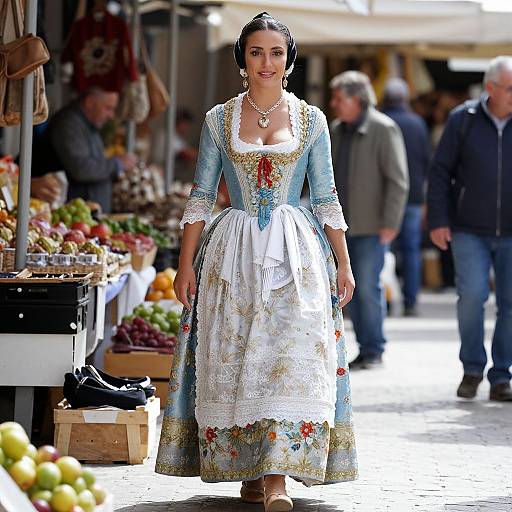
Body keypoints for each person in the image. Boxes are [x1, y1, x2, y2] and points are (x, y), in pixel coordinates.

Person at [155, 12, 358, 511]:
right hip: (234, 255)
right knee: (242, 357)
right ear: (241, 60)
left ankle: (276, 479)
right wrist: (185, 266)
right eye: (255, 52)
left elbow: (327, 196)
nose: (266, 62)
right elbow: (201, 196)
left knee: (289, 358)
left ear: (289, 60)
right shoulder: (217, 120)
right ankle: (254, 469)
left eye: (275, 52)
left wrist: (344, 264)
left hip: (296, 257)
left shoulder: (312, 121)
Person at [428, 56, 512, 402]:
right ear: (490, 88)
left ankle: (502, 375)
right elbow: (439, 171)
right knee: (473, 297)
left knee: (510, 304)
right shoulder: (463, 119)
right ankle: (473, 368)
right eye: (509, 88)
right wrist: (438, 220)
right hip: (468, 230)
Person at [329, 71, 409, 370]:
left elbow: (398, 181)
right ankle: (362, 348)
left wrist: (390, 223)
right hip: (338, 227)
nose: (334, 104)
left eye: (340, 98)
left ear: (357, 100)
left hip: (371, 226)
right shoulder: (336, 130)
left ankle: (373, 349)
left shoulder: (384, 128)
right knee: (346, 290)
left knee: (367, 288)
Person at [32, 87, 137, 213]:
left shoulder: (90, 125)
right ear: (89, 102)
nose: (111, 115)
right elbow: (81, 169)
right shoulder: (68, 124)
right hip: (70, 215)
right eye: (108, 108)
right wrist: (118, 164)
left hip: (87, 218)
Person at [381, 78, 431, 316]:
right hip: (412, 197)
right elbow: (426, 161)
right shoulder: (417, 123)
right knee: (411, 250)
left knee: (383, 249)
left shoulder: (379, 122)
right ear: (404, 99)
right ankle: (411, 302)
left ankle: (386, 300)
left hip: (383, 198)